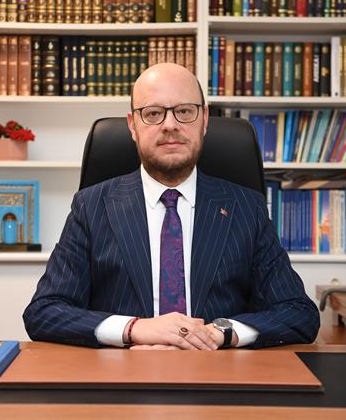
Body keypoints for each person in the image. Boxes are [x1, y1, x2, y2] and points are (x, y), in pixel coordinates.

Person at [23, 63, 319, 350]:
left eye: (185, 111)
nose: (170, 125)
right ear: (133, 125)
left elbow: (298, 312)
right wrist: (134, 329)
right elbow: (45, 311)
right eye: (153, 113)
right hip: (124, 371)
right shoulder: (92, 207)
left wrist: (218, 333)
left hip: (217, 369)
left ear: (204, 120)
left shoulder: (246, 208)